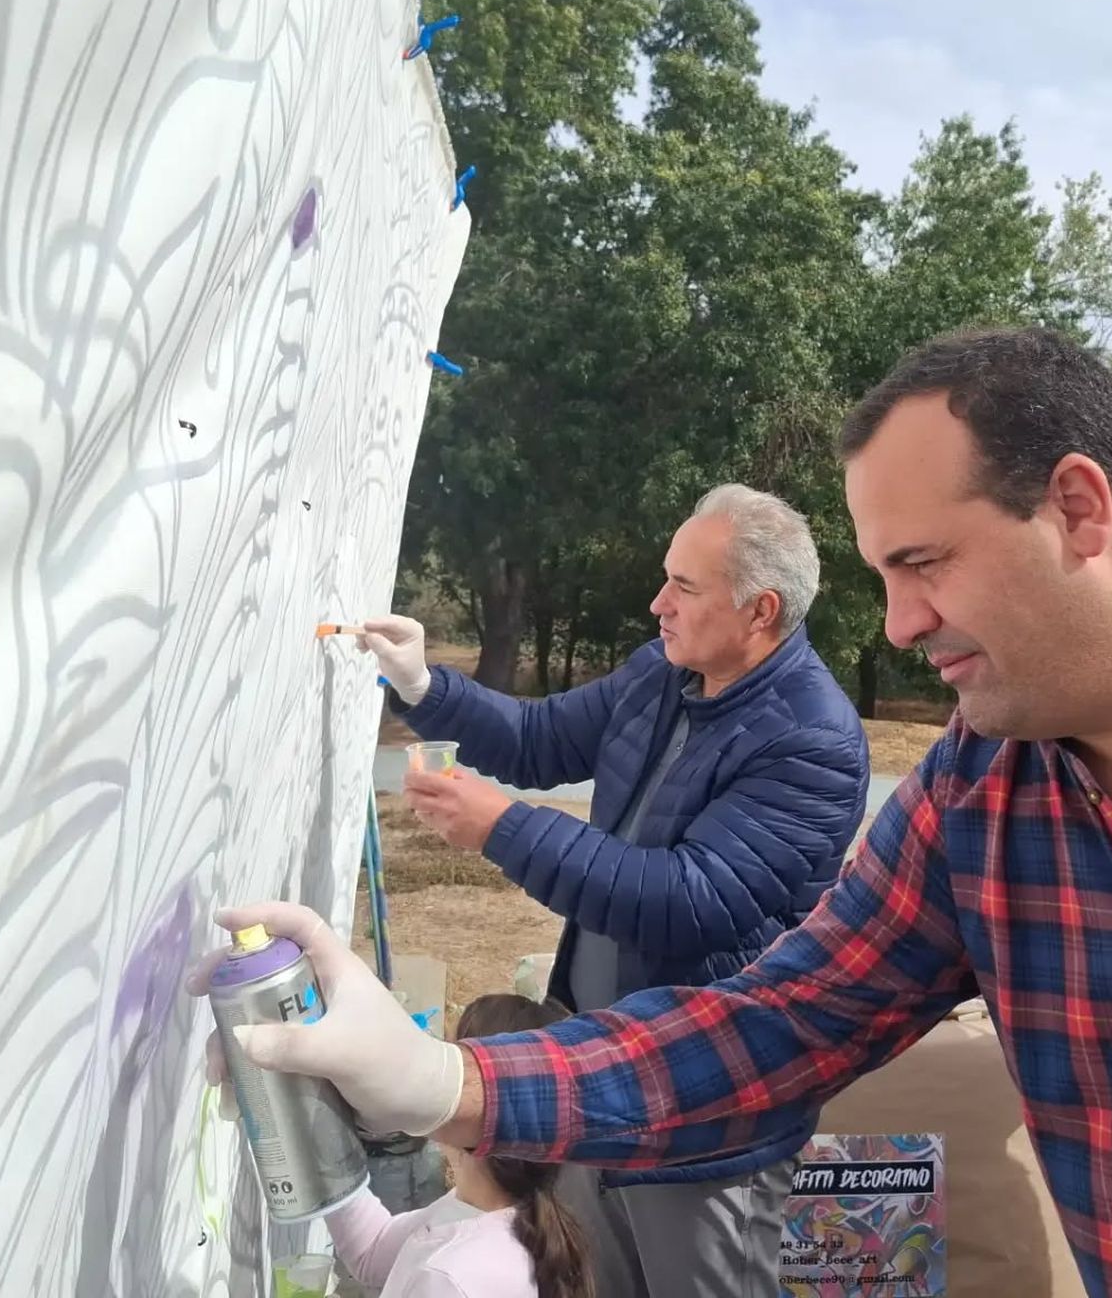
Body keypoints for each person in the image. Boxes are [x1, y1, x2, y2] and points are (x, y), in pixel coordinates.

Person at [205, 329, 1112, 1298]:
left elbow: (701, 909)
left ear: (1078, 508)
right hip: (632, 1084)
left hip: (728, 1171)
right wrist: (443, 1078)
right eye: (885, 576)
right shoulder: (973, 789)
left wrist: (505, 831)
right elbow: (782, 1022)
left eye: (924, 566)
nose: (898, 626)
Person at [360, 482, 871, 1298]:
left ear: (760, 611)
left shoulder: (812, 739)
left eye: (685, 588)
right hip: (607, 1073)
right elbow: (541, 739)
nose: (658, 602)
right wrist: (424, 684)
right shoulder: (665, 671)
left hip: (709, 1112)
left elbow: (685, 900)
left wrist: (504, 828)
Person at [324, 994, 591, 1298]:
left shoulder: (450, 1277)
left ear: (483, 1109)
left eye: (445, 1064)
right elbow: (373, 1252)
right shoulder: (499, 1213)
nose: (426, 1075)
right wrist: (319, 1137)